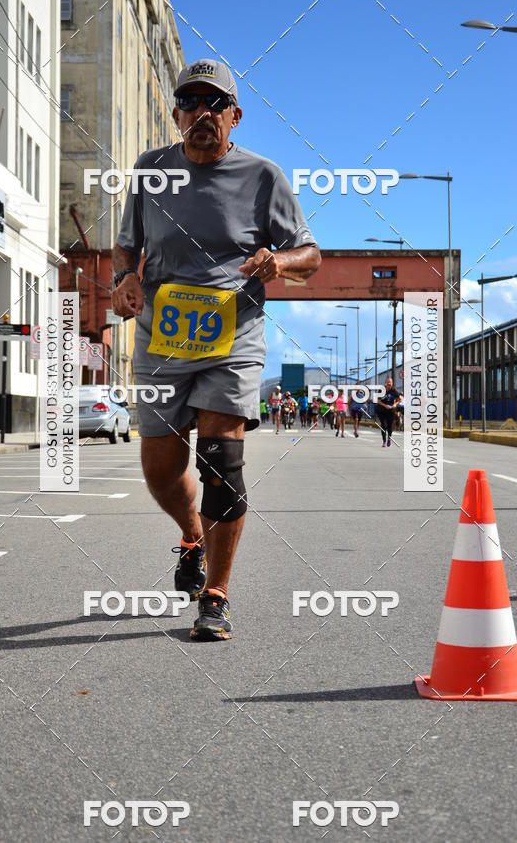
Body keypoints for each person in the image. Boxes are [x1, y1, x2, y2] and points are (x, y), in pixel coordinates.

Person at [112, 59, 321, 640]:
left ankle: (216, 596)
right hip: (162, 339)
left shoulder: (263, 177)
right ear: (177, 114)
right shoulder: (150, 171)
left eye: (215, 105)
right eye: (190, 104)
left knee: (221, 465)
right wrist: (123, 280)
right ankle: (191, 535)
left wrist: (279, 261)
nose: (202, 114)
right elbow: (126, 248)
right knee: (160, 468)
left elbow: (310, 255)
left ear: (235, 116)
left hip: (233, 337)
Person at [375, 377, 400, 447]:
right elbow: (377, 400)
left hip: (390, 411)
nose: (389, 384)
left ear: (392, 383)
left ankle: (389, 438)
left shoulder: (393, 390)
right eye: (388, 382)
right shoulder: (381, 390)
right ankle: (384, 441)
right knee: (383, 425)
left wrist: (394, 405)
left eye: (390, 382)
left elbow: (399, 399)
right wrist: (385, 405)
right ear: (385, 383)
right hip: (382, 410)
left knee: (389, 426)